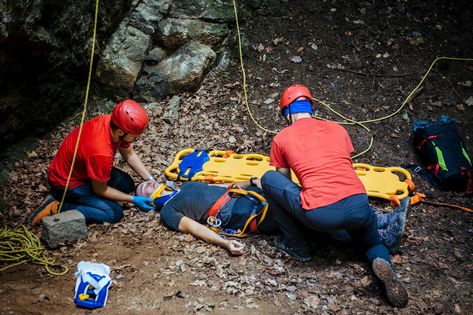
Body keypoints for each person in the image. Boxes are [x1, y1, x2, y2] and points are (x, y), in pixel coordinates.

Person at [261, 84, 409, 307]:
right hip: (359, 204)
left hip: (321, 213)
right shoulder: (337, 128)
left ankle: (295, 246)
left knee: (268, 180)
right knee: (370, 241)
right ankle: (386, 268)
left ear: (286, 113)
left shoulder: (282, 138)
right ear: (311, 107)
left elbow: (283, 182)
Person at [134, 179, 408, 256]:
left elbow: (224, 186)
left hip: (246, 196)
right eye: (140, 189)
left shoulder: (184, 185)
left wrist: (251, 183)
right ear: (147, 200)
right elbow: (193, 227)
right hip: (240, 213)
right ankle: (378, 240)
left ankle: (380, 221)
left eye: (144, 183)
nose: (144, 185)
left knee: (309, 203)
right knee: (306, 219)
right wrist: (224, 243)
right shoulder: (168, 212)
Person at [28, 99, 155, 226]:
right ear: (120, 132)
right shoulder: (101, 151)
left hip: (82, 169)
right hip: (66, 183)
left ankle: (90, 198)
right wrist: (133, 199)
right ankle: (60, 206)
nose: (137, 138)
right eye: (135, 136)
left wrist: (150, 179)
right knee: (114, 213)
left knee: (127, 183)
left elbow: (129, 153)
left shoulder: (112, 122)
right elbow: (101, 190)